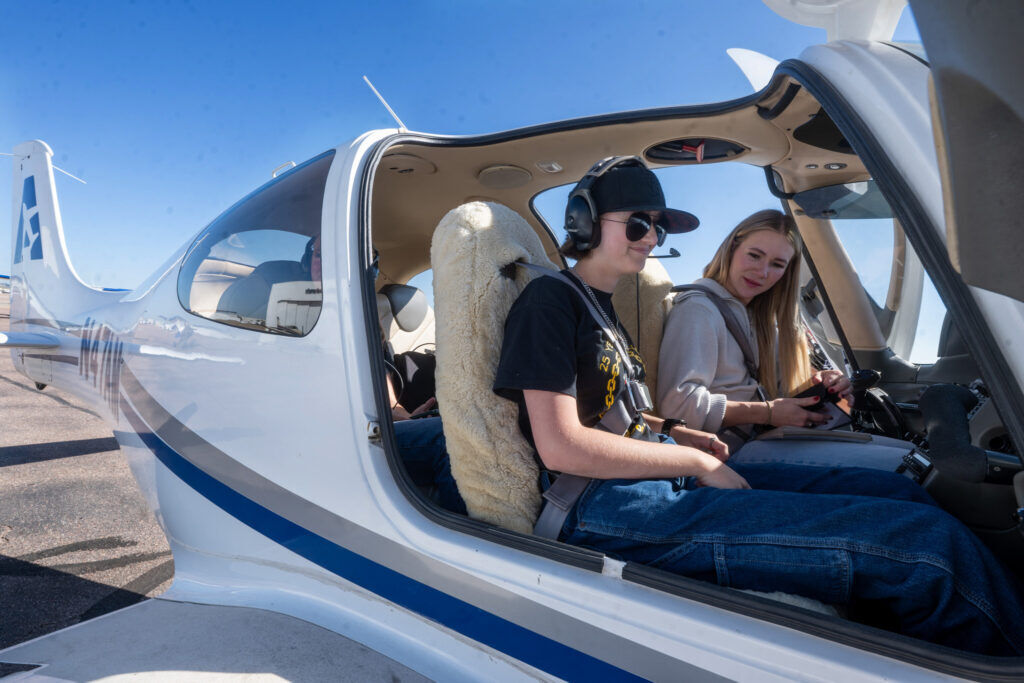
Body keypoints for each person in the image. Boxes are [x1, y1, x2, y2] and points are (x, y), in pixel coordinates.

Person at [492, 156, 1024, 655]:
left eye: (659, 227)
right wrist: (698, 461)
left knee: (894, 492)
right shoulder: (550, 302)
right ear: (584, 222)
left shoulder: (600, 308)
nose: (651, 238)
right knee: (929, 550)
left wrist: (678, 430)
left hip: (650, 482)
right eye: (637, 224)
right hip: (600, 508)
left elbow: (615, 413)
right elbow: (561, 445)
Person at [657, 209, 907, 468]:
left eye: (777, 265)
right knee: (900, 467)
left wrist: (821, 384)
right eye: (754, 255)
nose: (762, 272)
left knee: (905, 452)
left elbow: (778, 388)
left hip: (762, 439)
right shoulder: (699, 309)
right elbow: (677, 407)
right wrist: (767, 412)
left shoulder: (756, 319)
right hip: (725, 457)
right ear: (732, 248)